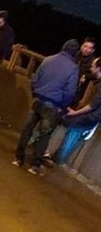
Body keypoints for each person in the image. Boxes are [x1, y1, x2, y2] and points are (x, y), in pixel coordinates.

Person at [13, 39, 80, 175]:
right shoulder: (73, 68)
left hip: (38, 100)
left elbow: (35, 78)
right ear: (74, 53)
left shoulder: (49, 59)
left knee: (27, 130)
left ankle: (19, 158)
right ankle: (34, 165)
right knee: (45, 136)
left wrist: (35, 92)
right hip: (53, 105)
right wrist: (63, 106)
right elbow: (70, 92)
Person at [55, 58, 101, 164]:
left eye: (93, 66)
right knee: (74, 132)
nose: (91, 68)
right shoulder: (98, 82)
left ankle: (59, 158)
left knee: (73, 130)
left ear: (98, 69)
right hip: (92, 117)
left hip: (91, 117)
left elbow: (92, 105)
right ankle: (59, 157)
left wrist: (75, 113)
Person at [72, 37, 96, 108]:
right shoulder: (76, 54)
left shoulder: (93, 61)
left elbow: (96, 74)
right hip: (69, 82)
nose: (86, 49)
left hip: (79, 88)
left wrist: (86, 76)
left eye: (90, 48)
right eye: (85, 46)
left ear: (93, 50)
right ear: (81, 46)